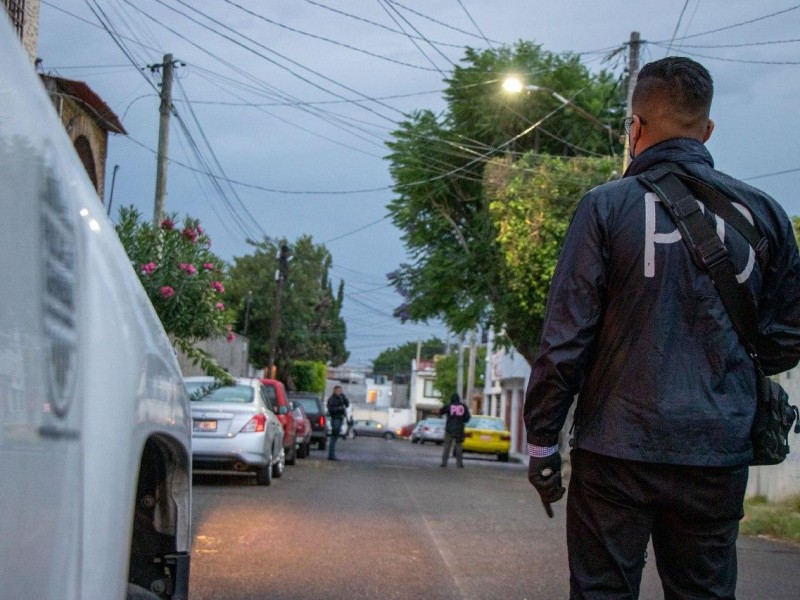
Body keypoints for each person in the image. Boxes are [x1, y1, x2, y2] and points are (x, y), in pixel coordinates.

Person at [524, 56, 800, 599]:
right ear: (708, 129)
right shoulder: (766, 214)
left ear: (636, 127)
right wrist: (723, 365)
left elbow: (565, 341)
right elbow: (790, 335)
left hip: (616, 448)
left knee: (603, 591)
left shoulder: (606, 207)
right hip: (716, 450)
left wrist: (541, 442)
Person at [439, 393, 471, 468]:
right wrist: (462, 420)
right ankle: (459, 463)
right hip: (459, 429)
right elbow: (467, 418)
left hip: (449, 429)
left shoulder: (449, 406)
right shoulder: (463, 406)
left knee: (447, 446)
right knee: (459, 446)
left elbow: (441, 411)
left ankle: (444, 462)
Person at [326, 385, 349, 461]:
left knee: (335, 437)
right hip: (335, 418)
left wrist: (344, 397)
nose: (340, 392)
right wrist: (339, 409)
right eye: (338, 391)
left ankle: (332, 455)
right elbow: (331, 410)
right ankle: (331, 455)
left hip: (340, 418)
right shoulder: (332, 399)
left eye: (341, 391)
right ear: (335, 391)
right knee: (334, 437)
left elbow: (347, 404)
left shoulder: (341, 398)